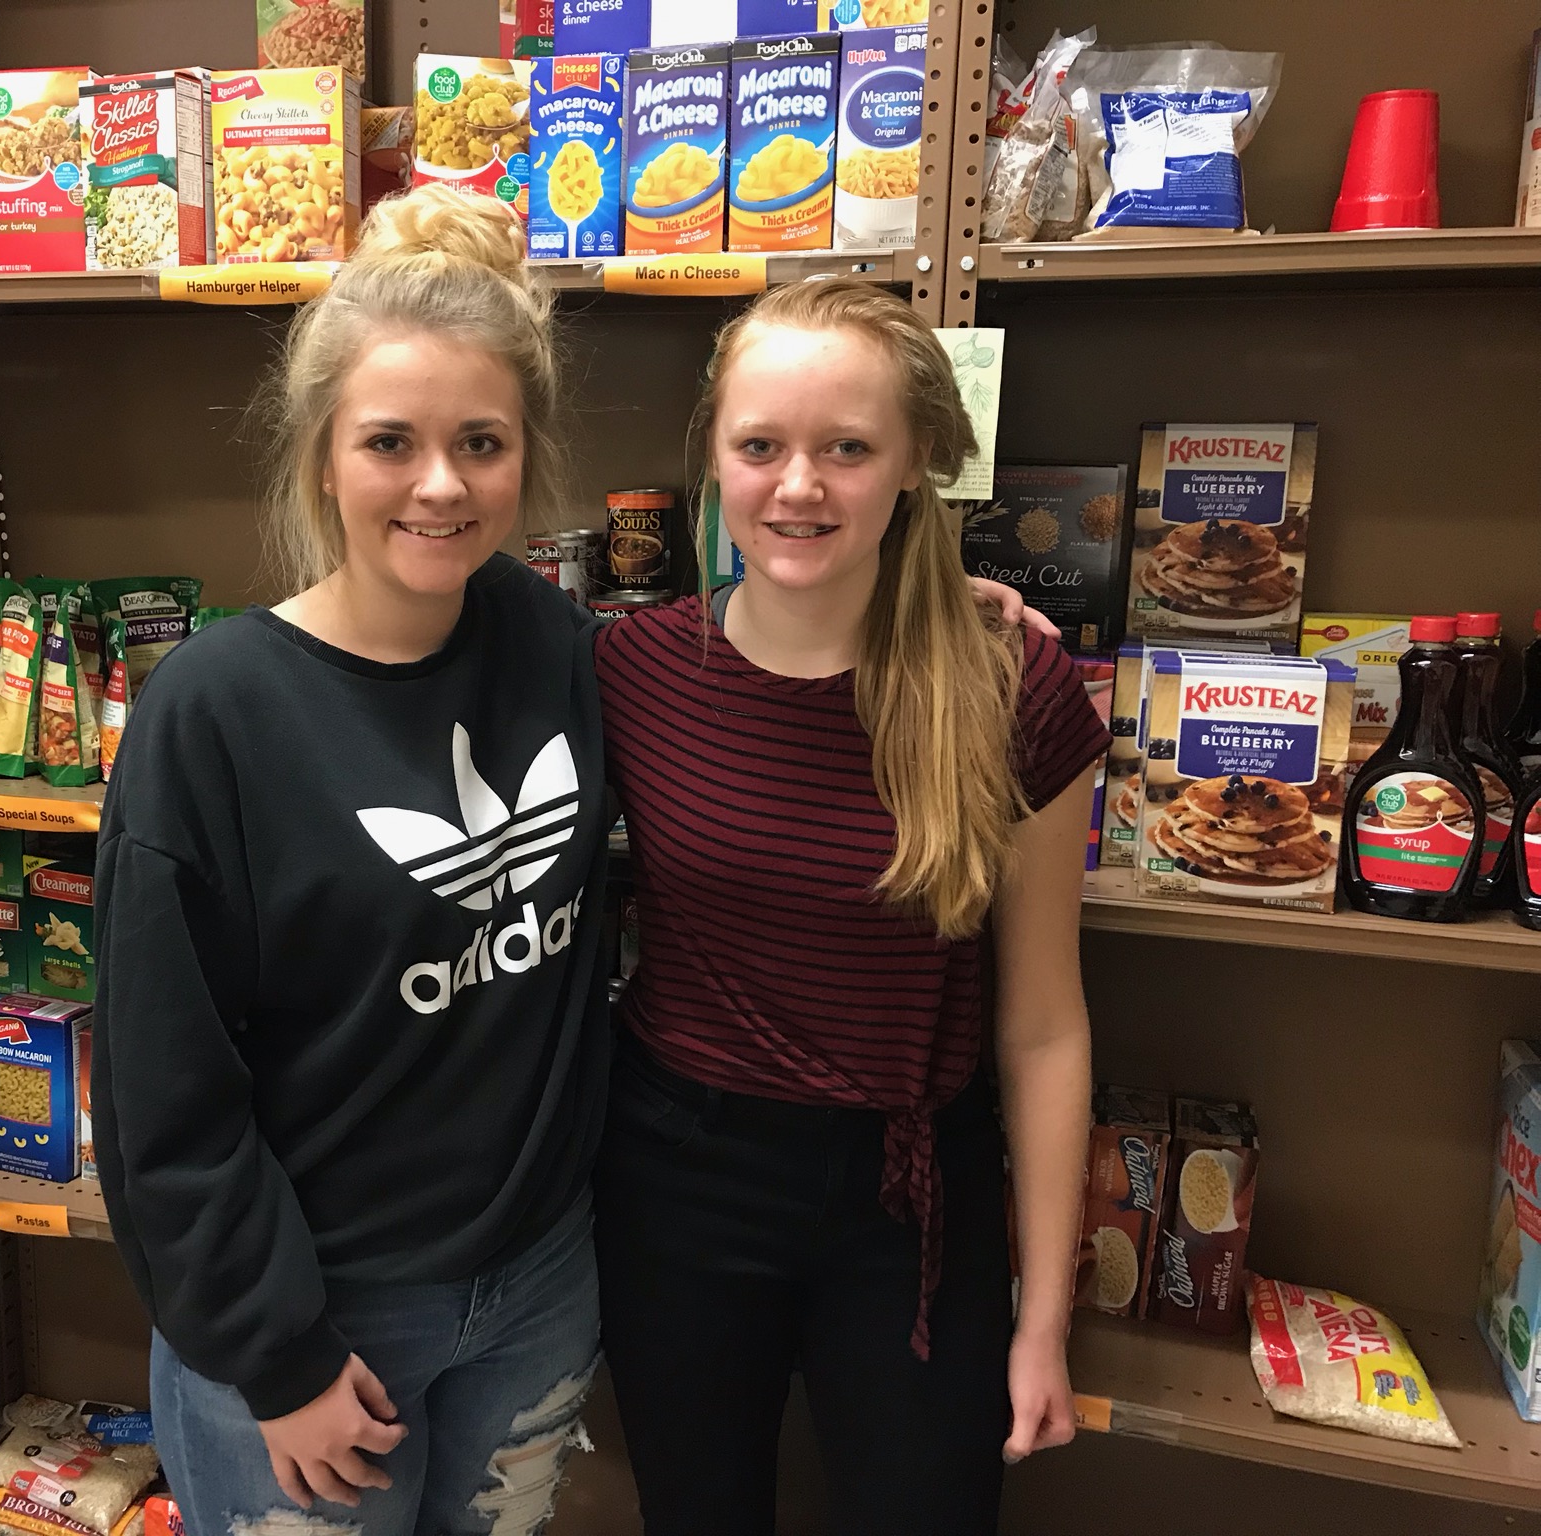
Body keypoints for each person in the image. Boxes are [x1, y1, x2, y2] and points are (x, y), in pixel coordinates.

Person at [89, 185, 610, 1536]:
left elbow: (744, 675)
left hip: (537, 1292)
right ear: (324, 454)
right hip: (321, 1330)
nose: (440, 484)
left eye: (480, 444)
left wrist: (921, 610)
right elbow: (164, 1090)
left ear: (524, 459)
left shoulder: (550, 645)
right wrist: (280, 1357)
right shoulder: (213, 711)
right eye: (392, 441)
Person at [591, 279, 1106, 1535]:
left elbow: (1041, 1029)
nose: (797, 487)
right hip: (677, 1187)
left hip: (911, 1198)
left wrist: (1042, 1320)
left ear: (917, 461)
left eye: (846, 448)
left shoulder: (1005, 679)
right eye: (758, 446)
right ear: (711, 458)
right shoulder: (631, 668)